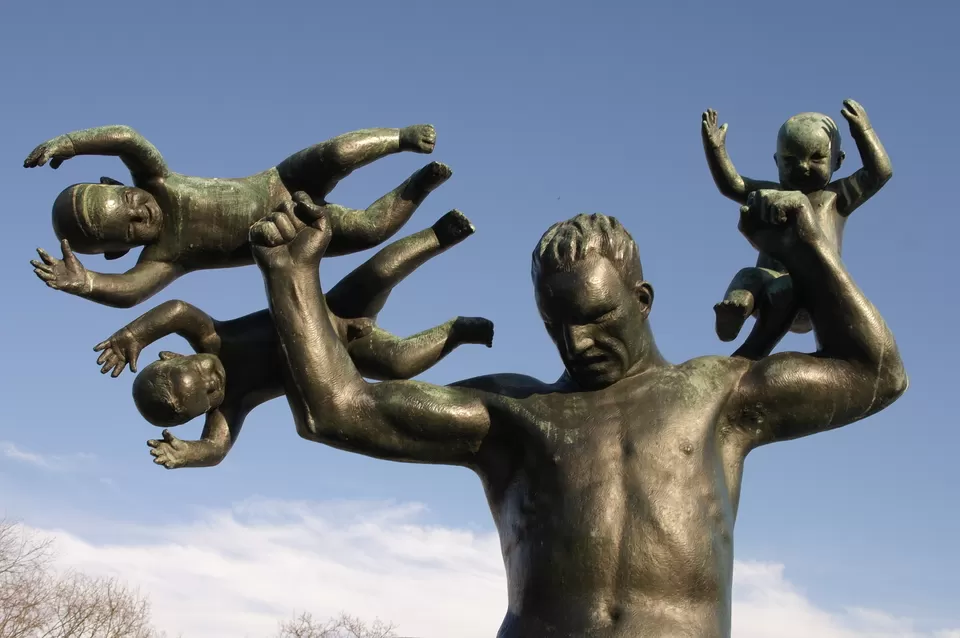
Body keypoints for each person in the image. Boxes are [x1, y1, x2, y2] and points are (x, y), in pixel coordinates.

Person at [247, 190, 906, 637]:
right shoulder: (513, 413)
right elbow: (340, 409)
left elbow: (876, 375)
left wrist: (808, 250)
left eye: (595, 317)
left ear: (642, 300)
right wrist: (291, 275)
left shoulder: (717, 395)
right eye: (556, 325)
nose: (576, 343)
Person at [92, 210, 492, 469]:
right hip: (340, 359)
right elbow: (217, 448)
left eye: (199, 372)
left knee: (381, 272)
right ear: (205, 410)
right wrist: (189, 454)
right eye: (209, 393)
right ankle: (458, 331)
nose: (213, 380)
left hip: (323, 309)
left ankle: (437, 235)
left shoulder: (212, 337)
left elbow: (177, 309)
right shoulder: (232, 405)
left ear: (173, 354)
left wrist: (133, 335)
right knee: (400, 362)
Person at [25, 123, 448, 307]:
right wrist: (87, 282)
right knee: (370, 229)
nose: (142, 213)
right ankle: (420, 185)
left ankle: (400, 138)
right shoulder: (166, 258)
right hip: (292, 233)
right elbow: (130, 291)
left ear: (118, 183)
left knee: (336, 154)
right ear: (119, 251)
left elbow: (127, 139)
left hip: (279, 181)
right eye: (130, 228)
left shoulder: (158, 181)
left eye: (130, 201)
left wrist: (73, 142)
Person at [701, 99, 892, 358]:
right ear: (776, 161)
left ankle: (748, 338)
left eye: (816, 158)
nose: (802, 166)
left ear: (837, 161)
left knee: (785, 288)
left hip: (814, 292)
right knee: (748, 276)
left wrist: (864, 133)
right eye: (790, 160)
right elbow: (732, 185)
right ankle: (736, 311)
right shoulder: (771, 193)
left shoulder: (836, 197)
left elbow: (880, 172)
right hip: (769, 284)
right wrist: (715, 150)